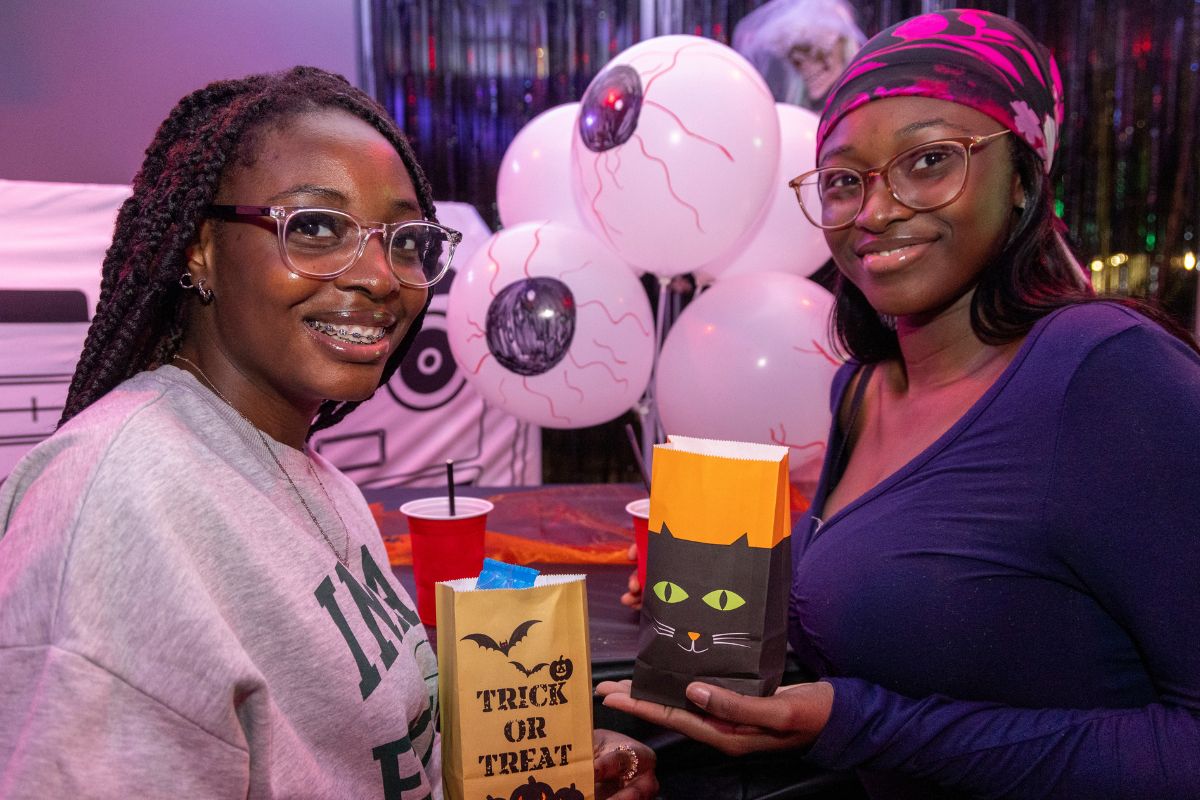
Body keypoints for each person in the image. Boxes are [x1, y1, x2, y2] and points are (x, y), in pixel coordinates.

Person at [0, 67, 656, 800]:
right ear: (198, 247)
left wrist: (532, 762)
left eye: (405, 241)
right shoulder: (118, 501)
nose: (380, 277)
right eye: (314, 227)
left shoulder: (314, 479)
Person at [601, 9, 1200, 798]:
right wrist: (671, 746)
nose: (876, 211)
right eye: (846, 180)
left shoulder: (1105, 374)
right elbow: (883, 645)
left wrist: (862, 723)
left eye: (929, 161)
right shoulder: (863, 388)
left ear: (1022, 176)